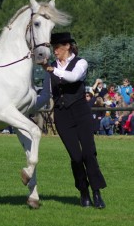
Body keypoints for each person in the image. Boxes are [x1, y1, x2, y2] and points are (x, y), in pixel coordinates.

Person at [41, 32, 106, 209]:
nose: (54, 51)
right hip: (62, 115)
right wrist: (28, 107)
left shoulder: (80, 63)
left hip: (81, 112)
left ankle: (97, 192)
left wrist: (51, 69)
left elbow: (73, 77)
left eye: (57, 47)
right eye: (53, 48)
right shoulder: (51, 67)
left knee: (88, 153)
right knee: (76, 157)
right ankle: (83, 192)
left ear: (67, 46)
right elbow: (46, 95)